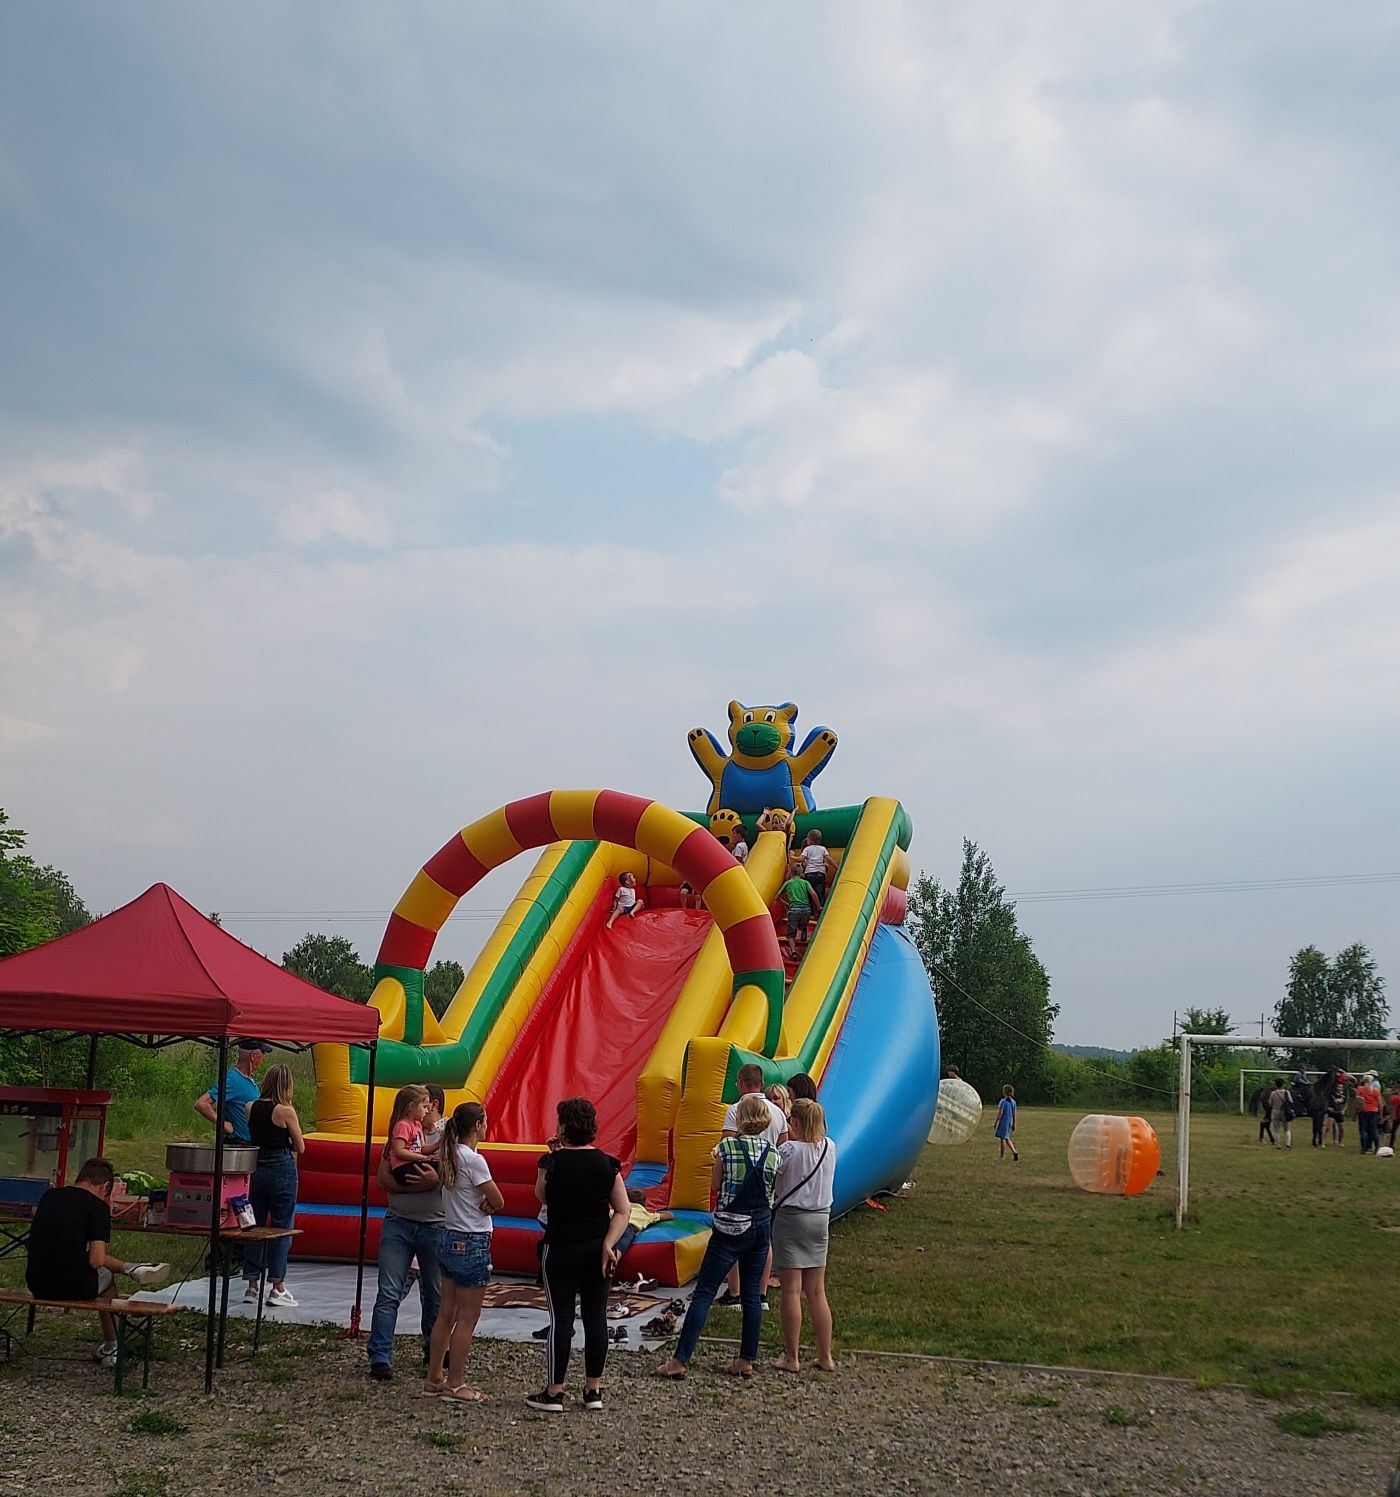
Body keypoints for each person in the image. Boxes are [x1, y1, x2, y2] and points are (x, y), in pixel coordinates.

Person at [656, 1094, 780, 1381]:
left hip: (729, 1227)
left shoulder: (725, 1147)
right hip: (760, 1225)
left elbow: (714, 1184)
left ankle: (680, 1359)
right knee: (752, 1294)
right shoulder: (774, 1152)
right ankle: (746, 1359)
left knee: (705, 1292)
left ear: (740, 1118)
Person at [528, 1097, 630, 1413]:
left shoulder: (553, 1164)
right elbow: (623, 1210)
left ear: (562, 1128)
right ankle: (593, 1389)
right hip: (596, 1249)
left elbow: (541, 1195)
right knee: (595, 1316)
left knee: (561, 1319)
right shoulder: (607, 1164)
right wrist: (608, 1244)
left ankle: (555, 1391)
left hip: (559, 1247)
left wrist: (551, 1156)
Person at [25, 1158, 168, 1369]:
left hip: (36, 1284)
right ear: (104, 1187)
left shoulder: (50, 1196)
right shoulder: (97, 1208)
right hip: (73, 1288)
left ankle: (133, 1268)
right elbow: (97, 1260)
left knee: (98, 1270)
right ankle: (114, 1345)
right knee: (107, 1279)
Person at [426, 1102, 503, 1403]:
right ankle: (456, 1382)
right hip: (472, 1239)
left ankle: (434, 1376)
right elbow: (497, 1198)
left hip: (450, 1234)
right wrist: (490, 1203)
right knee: (468, 1316)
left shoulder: (448, 1153)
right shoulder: (474, 1159)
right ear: (478, 1125)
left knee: (447, 1312)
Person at [368, 1085, 446, 1383]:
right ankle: (380, 1356)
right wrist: (415, 1186)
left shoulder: (442, 1135)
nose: (426, 1111)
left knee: (435, 1293)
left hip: (434, 1223)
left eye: (429, 1106)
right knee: (389, 1292)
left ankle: (434, 1349)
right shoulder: (401, 1132)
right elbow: (382, 1178)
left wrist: (434, 1181)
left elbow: (455, 1177)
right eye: (422, 1106)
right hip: (399, 1220)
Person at [771, 1098, 837, 1374]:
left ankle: (792, 1356)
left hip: (792, 1219)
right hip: (821, 1219)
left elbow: (774, 1179)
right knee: (817, 1291)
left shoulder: (788, 1150)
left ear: (795, 1123)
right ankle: (826, 1355)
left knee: (791, 1290)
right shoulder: (829, 1147)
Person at [716, 1064, 787, 1305]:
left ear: (740, 1082)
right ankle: (760, 1291)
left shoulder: (735, 1110)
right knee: (763, 1238)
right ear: (762, 1082)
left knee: (733, 1235)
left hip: (738, 1181)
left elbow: (725, 1146)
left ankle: (734, 1290)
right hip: (766, 1179)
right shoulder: (777, 1112)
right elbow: (784, 1144)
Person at [242, 1063, 305, 1308]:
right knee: (282, 1226)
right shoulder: (285, 1110)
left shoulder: (250, 1107)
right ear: (286, 1085)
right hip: (281, 1166)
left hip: (257, 1166)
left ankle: (251, 1283)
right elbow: (300, 1146)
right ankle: (277, 1285)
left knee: (253, 1225)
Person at [194, 1038, 269, 1143]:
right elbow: (201, 1104)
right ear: (253, 1056)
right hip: (239, 1145)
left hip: (252, 1145)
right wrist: (223, 1124)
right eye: (263, 1054)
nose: (263, 1058)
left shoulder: (249, 1080)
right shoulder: (232, 1080)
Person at [385, 1083, 440, 1186]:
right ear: (411, 1107)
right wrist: (423, 1158)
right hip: (403, 1167)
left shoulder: (417, 1125)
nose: (427, 1111)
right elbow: (399, 1151)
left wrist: (438, 1144)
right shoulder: (403, 1125)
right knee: (441, 1167)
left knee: (442, 1165)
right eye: (424, 1107)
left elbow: (422, 1148)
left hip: (412, 1163)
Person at [779, 868, 822, 962]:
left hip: (794, 909)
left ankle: (794, 952)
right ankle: (803, 928)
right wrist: (818, 907)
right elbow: (814, 894)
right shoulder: (805, 882)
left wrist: (786, 904)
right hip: (806, 910)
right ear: (800, 873)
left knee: (791, 934)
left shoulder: (788, 883)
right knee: (803, 922)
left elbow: (777, 896)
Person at [794, 830, 836, 903]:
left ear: (809, 840)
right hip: (820, 874)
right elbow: (829, 859)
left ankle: (811, 911)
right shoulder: (823, 848)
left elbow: (800, 859)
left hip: (809, 874)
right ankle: (821, 908)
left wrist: (791, 857)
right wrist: (837, 868)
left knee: (809, 894)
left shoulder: (807, 849)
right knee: (820, 894)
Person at [1356, 1072, 1383, 1154]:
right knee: (1374, 1129)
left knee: (1364, 1129)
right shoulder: (1375, 1091)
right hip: (1373, 1111)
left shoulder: (1360, 1089)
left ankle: (1364, 1148)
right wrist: (1381, 1115)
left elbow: (1358, 1101)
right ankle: (1377, 1148)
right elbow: (1380, 1104)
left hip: (1363, 1111)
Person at [994, 1084, 1019, 1161]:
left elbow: (1000, 1113)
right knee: (1007, 1138)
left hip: (1004, 1121)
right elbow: (1014, 1114)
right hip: (1010, 1121)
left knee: (1002, 1138)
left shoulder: (1003, 1101)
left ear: (1004, 1092)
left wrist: (996, 1122)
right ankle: (1014, 1151)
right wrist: (1014, 1123)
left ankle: (1001, 1156)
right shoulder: (1013, 1102)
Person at [1267, 1079, 1292, 1150]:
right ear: (1283, 1084)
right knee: (1287, 1129)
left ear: (1276, 1085)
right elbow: (1290, 1101)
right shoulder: (1287, 1092)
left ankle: (1277, 1144)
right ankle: (1288, 1144)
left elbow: (1270, 1102)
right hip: (1285, 1112)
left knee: (1276, 1129)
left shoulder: (1273, 1093)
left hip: (1276, 1111)